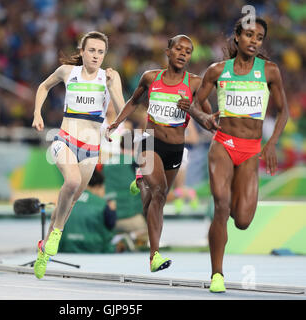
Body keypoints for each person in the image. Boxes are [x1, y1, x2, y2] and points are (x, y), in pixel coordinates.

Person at [178, 17, 289, 292]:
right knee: (221, 206)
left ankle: (223, 222)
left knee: (241, 220)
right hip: (223, 145)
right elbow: (191, 103)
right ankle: (217, 275)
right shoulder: (218, 71)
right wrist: (202, 117)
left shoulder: (270, 71)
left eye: (259, 37)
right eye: (249, 35)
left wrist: (272, 143)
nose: (254, 41)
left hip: (251, 150)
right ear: (237, 37)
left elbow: (284, 110)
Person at [106, 35, 214, 272]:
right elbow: (133, 102)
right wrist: (116, 123)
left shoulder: (195, 83)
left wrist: (192, 109)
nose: (183, 53)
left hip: (175, 148)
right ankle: (154, 255)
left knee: (156, 201)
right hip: (150, 142)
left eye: (188, 50)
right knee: (158, 192)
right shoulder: (150, 77)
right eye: (179, 48)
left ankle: (140, 178)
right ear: (168, 51)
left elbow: (208, 120)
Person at [32, 31, 125, 279]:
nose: (96, 55)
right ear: (82, 51)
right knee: (71, 182)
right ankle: (58, 233)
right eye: (91, 50)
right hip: (65, 139)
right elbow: (43, 87)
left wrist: (114, 125)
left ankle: (44, 249)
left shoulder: (110, 77)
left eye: (100, 52)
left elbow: (122, 107)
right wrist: (37, 114)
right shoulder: (66, 71)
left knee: (70, 201)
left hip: (92, 149)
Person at [58, 169, 117, 253]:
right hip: (95, 248)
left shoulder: (66, 200)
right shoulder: (102, 204)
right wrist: (113, 211)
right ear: (97, 187)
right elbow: (111, 224)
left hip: (66, 247)